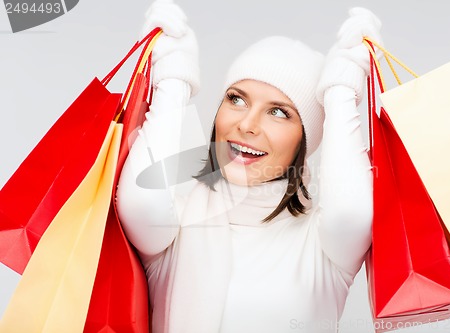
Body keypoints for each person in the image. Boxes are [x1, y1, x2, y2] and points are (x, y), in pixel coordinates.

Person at [116, 0, 382, 332]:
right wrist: (173, 79)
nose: (247, 124)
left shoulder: (322, 245)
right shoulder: (177, 226)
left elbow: (350, 214)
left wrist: (342, 92)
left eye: (279, 112)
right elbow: (141, 197)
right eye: (236, 99)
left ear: (305, 141)